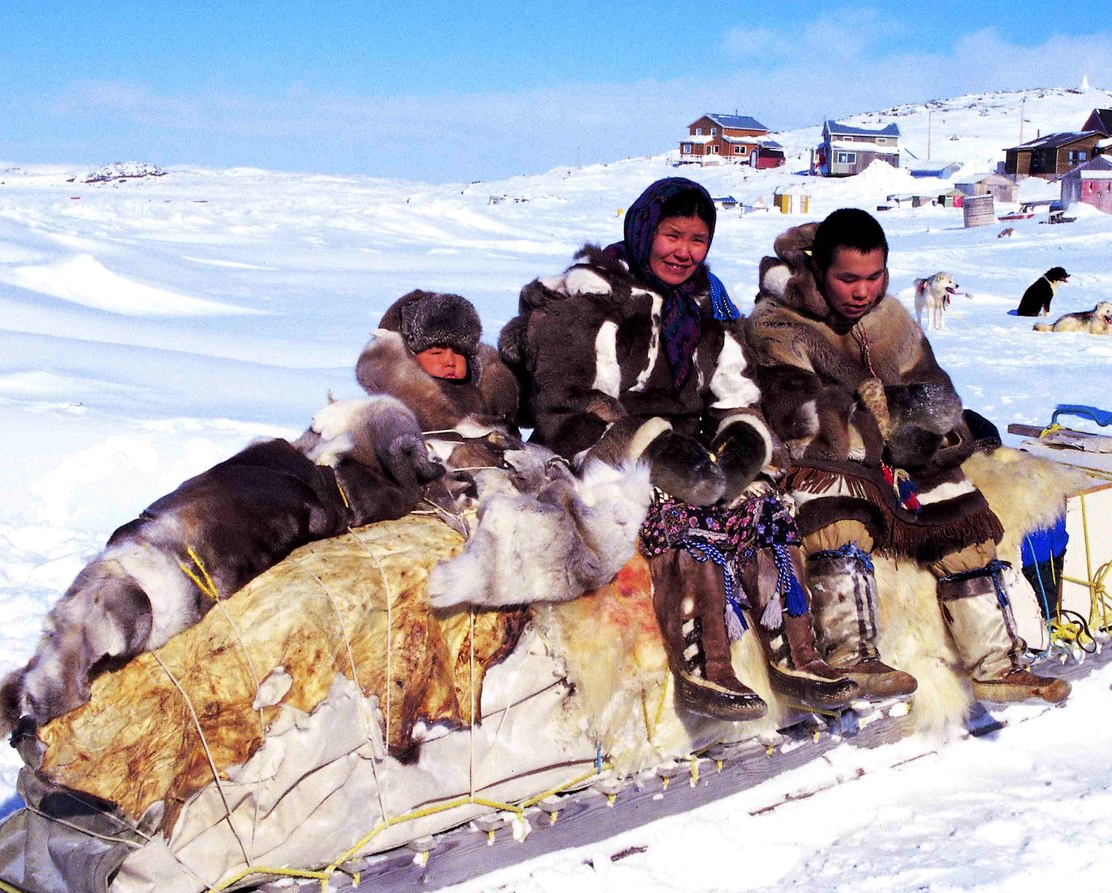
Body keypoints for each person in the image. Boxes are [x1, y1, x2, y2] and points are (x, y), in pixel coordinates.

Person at [499, 177, 857, 721]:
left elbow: (736, 393)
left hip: (684, 449)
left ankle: (796, 654)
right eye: (672, 235)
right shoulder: (592, 300)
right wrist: (653, 450)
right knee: (683, 516)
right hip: (597, 455)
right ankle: (705, 665)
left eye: (697, 239)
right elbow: (564, 405)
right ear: (644, 231)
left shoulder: (705, 305)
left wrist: (741, 443)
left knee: (762, 507)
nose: (684, 252)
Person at [748, 208, 1068, 704]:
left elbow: (934, 388)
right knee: (838, 518)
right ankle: (852, 657)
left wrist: (921, 430)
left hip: (900, 457)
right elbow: (796, 410)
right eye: (848, 279)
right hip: (828, 458)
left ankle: (997, 664)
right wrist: (874, 425)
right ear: (818, 272)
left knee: (962, 521)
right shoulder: (778, 324)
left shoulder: (891, 320)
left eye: (874, 277)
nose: (863, 292)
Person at [355, 289, 521, 510]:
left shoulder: (492, 409)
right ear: (412, 358)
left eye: (459, 353)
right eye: (436, 353)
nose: (450, 361)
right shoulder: (390, 415)